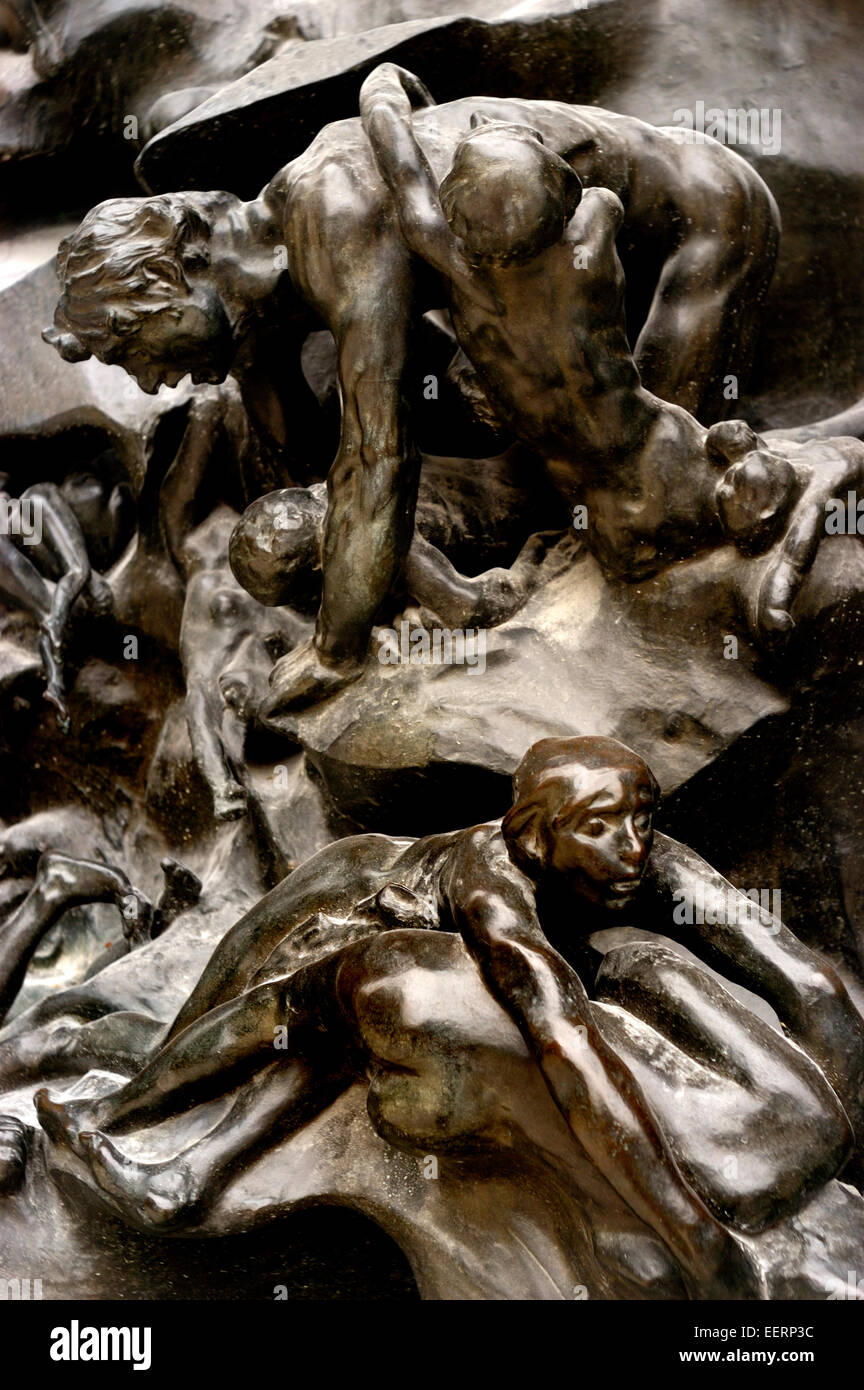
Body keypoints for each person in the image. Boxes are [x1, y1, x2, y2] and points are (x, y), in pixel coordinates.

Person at [43, 82, 778, 710]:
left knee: (650, 517)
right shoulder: (268, 291)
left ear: (177, 283)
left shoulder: (332, 221)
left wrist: (335, 650)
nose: (145, 381)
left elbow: (376, 457)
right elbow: (313, 476)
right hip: (578, 265)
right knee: (583, 503)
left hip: (701, 227)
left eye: (131, 350)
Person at [35, 736, 862, 1295]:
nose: (633, 851)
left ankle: (194, 1163)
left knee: (337, 1044)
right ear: (537, 838)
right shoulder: (491, 880)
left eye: (643, 820)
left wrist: (835, 1132)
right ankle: (127, 1104)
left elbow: (812, 985)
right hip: (353, 894)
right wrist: (692, 1232)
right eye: (601, 829)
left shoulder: (653, 866)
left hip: (417, 965)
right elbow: (561, 1038)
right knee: (265, 1011)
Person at [0, 471, 133, 728]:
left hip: (27, 520)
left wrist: (55, 684)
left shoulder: (36, 513)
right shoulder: (76, 572)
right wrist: (55, 683)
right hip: (31, 513)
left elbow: (49, 622)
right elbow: (73, 580)